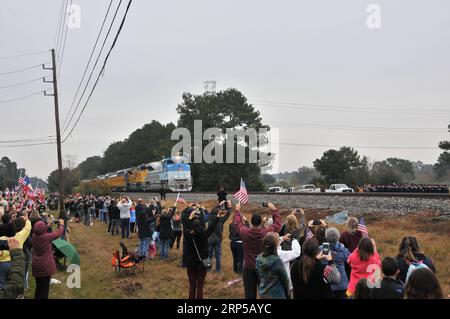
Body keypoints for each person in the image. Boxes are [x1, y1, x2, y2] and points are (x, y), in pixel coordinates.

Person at [233, 202, 282, 299]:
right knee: (264, 295)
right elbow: (278, 224)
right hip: (263, 267)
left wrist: (237, 211)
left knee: (249, 295)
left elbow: (237, 223)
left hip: (248, 268)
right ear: (260, 222)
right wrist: (274, 210)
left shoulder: (245, 232)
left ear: (251, 222)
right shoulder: (266, 233)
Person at [184, 207, 225, 299]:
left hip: (191, 262)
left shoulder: (188, 235)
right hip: (202, 262)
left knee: (192, 285)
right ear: (200, 226)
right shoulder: (204, 235)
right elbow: (211, 228)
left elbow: (186, 227)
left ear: (192, 227)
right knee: (200, 286)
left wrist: (190, 218)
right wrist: (218, 217)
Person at [32, 218, 64, 299]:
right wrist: (61, 224)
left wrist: (48, 225)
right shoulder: (47, 237)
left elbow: (40, 231)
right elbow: (59, 233)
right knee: (44, 291)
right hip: (45, 267)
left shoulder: (34, 236)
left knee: (38, 288)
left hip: (36, 266)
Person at [0, 213, 31, 289]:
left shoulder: (1, 239)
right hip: (15, 263)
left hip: (2, 264)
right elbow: (27, 228)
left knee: (2, 284)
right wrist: (27, 219)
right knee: (14, 283)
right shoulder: (19, 237)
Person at [256, 233, 290, 299]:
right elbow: (285, 280)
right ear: (275, 247)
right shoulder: (277, 261)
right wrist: (287, 293)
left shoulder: (258, 259)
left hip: (263, 294)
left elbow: (259, 277)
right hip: (277, 295)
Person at [319, 227, 350, 299]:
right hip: (342, 284)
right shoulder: (343, 250)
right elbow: (350, 260)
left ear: (326, 237)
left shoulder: (322, 249)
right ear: (338, 237)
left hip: (327, 283)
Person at [207, 200, 231, 273]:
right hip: (218, 239)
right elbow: (228, 214)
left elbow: (211, 211)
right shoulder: (221, 220)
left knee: (208, 255)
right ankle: (218, 270)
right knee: (218, 255)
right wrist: (229, 207)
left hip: (209, 239)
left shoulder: (210, 218)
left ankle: (208, 269)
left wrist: (219, 205)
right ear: (218, 213)